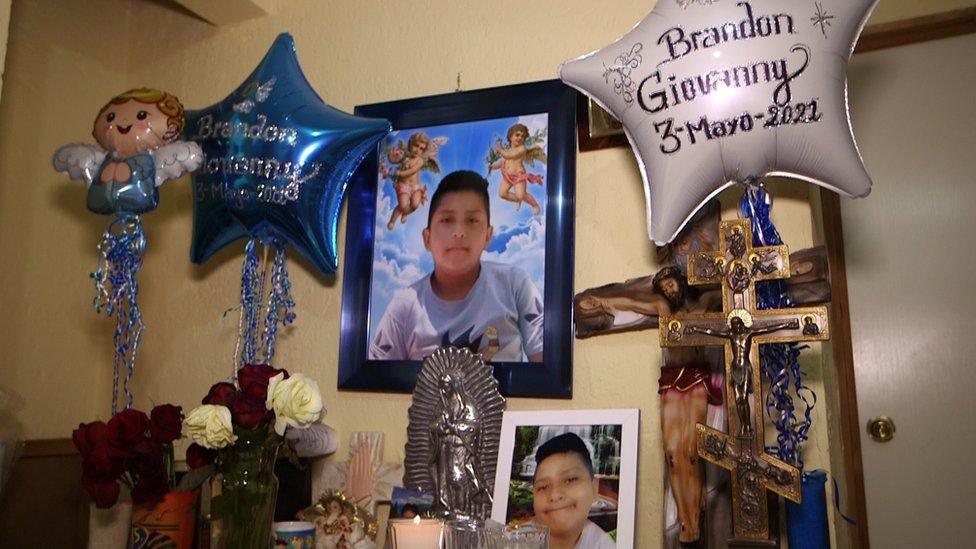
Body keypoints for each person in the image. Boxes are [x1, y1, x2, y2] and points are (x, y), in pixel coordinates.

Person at [369, 170, 544, 362]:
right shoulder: (403, 307)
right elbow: (377, 384)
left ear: (488, 235)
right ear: (427, 238)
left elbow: (547, 367)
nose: (459, 232)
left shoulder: (515, 285)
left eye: (472, 220)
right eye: (447, 220)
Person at [531, 433, 614, 549]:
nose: (555, 495)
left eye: (570, 480)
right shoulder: (513, 542)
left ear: (594, 488)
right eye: (543, 487)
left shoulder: (603, 545)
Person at [382, 132, 444, 230]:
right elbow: (394, 160)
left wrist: (399, 173)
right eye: (416, 146)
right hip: (403, 185)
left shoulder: (420, 161)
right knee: (402, 205)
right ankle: (393, 220)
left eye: (421, 148)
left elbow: (412, 171)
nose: (417, 150)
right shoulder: (404, 157)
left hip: (415, 187)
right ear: (410, 144)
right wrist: (391, 156)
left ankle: (405, 212)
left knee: (415, 204)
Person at [492, 123, 545, 215]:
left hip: (518, 176)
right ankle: (517, 200)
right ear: (510, 136)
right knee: (502, 193)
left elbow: (509, 156)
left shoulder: (522, 149)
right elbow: (502, 161)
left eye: (522, 136)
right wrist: (493, 166)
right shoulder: (508, 150)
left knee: (521, 195)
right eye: (517, 135)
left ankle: (534, 205)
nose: (520, 138)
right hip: (507, 176)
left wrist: (500, 150)